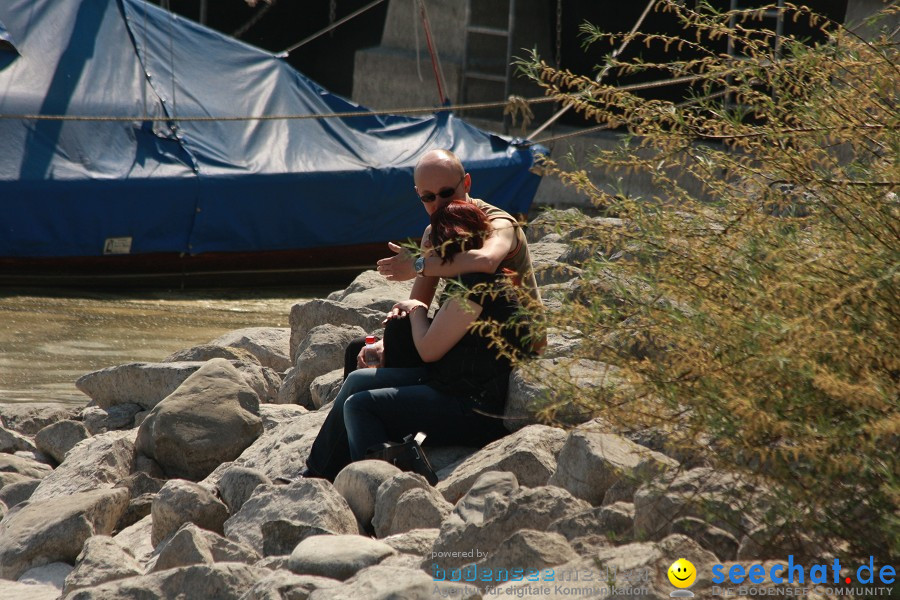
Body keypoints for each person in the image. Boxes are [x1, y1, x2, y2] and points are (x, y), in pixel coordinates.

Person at [303, 200, 532, 481]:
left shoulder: (477, 289)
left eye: (433, 251)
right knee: (358, 379)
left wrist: (415, 309)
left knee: (359, 405)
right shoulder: (469, 280)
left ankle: (379, 488)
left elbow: (427, 350)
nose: (429, 260)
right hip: (453, 383)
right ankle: (319, 474)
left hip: (473, 407)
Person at [342, 148, 543, 377]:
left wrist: (418, 265)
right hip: (462, 331)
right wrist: (384, 343)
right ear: (418, 194)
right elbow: (419, 301)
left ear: (466, 183)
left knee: (391, 357)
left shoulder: (499, 222)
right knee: (360, 349)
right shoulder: (434, 232)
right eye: (428, 197)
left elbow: (487, 260)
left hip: (511, 342)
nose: (437, 204)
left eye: (446, 193)